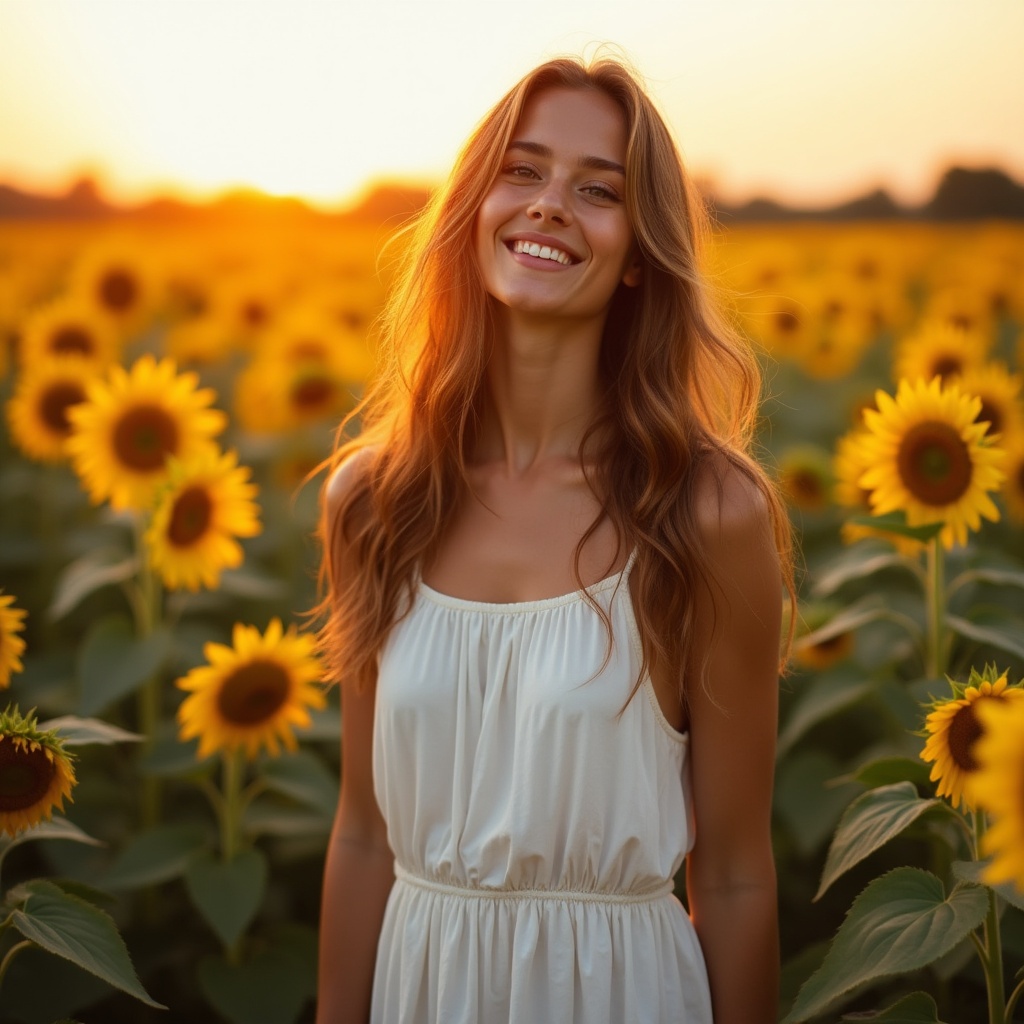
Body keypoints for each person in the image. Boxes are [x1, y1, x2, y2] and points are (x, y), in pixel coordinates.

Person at [314, 53, 794, 1024]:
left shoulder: (704, 513)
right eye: (521, 171)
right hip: (422, 987)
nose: (548, 205)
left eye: (597, 189)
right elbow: (365, 833)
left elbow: (737, 875)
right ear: (472, 208)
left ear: (639, 254)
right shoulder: (377, 498)